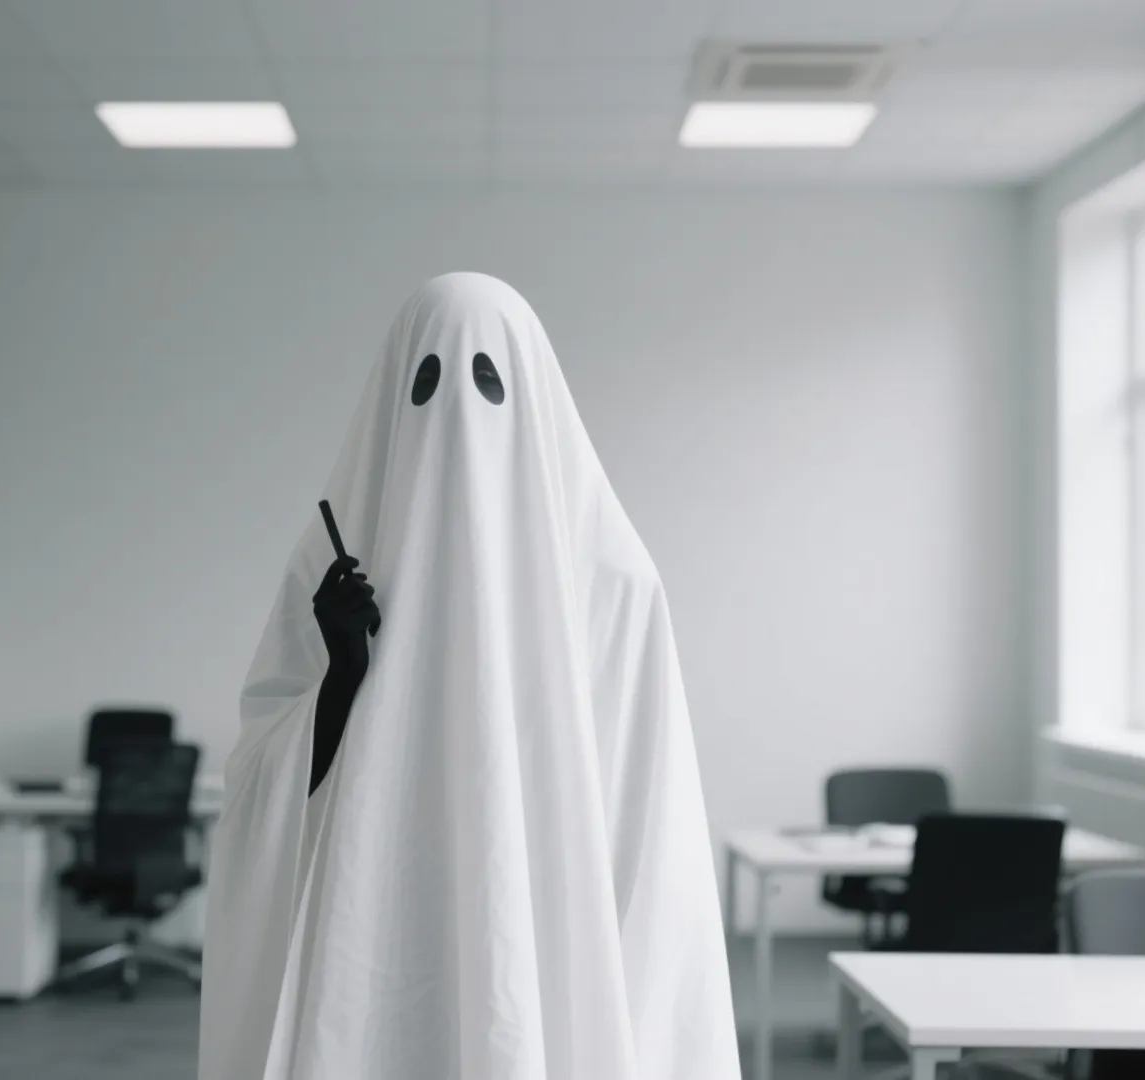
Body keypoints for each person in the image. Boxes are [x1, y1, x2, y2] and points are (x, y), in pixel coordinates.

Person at [199, 273, 740, 1080]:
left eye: (488, 381)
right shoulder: (333, 566)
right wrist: (339, 684)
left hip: (549, 951)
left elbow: (652, 833)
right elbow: (254, 794)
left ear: (531, 395)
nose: (456, 411)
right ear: (390, 400)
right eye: (427, 383)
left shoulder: (616, 587)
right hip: (367, 939)